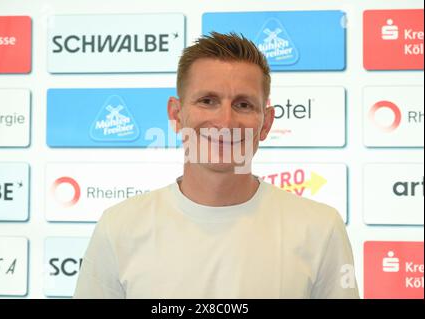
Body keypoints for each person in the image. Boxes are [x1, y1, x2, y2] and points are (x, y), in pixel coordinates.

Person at [74, 32, 359, 299]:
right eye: (207, 100)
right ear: (176, 114)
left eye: (243, 104)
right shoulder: (119, 227)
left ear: (266, 123)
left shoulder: (321, 229)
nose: (225, 122)